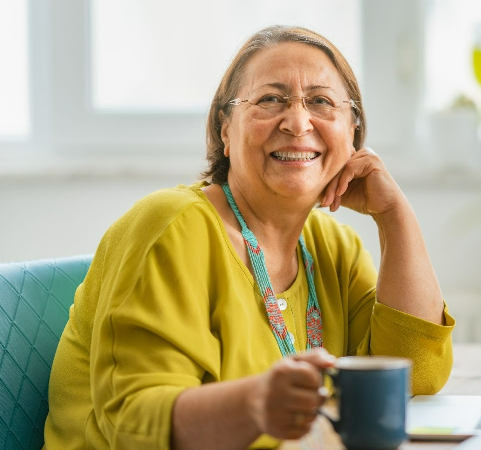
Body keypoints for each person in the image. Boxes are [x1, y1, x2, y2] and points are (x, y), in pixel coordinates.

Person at [43, 25, 455, 450]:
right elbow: (134, 425)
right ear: (225, 129)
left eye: (321, 102)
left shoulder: (333, 248)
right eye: (270, 100)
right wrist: (255, 405)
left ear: (352, 132)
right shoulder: (171, 227)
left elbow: (415, 375)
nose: (297, 122)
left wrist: (395, 217)